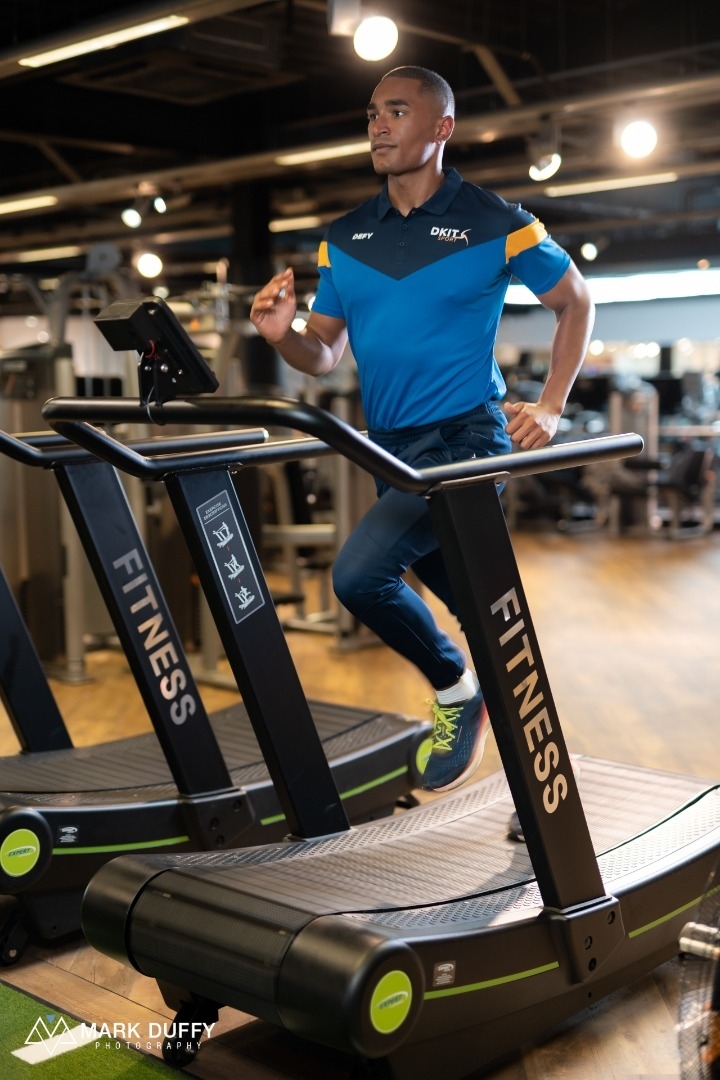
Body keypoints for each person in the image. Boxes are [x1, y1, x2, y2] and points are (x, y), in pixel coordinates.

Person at [250, 65, 595, 793]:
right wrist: (283, 336)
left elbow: (575, 301)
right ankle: (542, 781)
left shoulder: (497, 221)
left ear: (442, 128)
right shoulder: (345, 238)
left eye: (397, 111)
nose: (377, 125)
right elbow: (323, 353)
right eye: (372, 112)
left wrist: (551, 404)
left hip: (465, 443)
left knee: (360, 577)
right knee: (485, 612)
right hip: (390, 450)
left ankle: (453, 689)